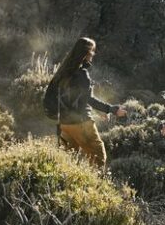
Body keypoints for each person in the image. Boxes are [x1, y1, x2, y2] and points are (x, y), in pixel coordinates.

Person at [50, 37, 126, 169]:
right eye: (92, 51)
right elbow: (88, 99)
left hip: (64, 123)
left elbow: (73, 98)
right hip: (82, 123)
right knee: (98, 156)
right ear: (85, 54)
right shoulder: (82, 75)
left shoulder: (64, 71)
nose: (93, 54)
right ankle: (94, 187)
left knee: (65, 160)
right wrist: (112, 109)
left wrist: (98, 111)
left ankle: (65, 186)